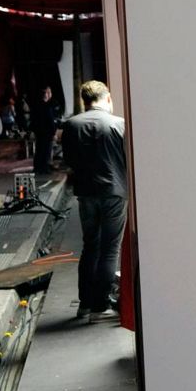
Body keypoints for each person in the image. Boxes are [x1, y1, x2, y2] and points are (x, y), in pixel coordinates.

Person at [60, 81, 128, 322]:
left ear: (83, 100)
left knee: (90, 246)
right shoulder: (119, 124)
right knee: (110, 248)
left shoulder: (70, 126)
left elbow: (68, 160)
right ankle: (101, 307)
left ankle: (85, 304)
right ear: (107, 97)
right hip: (115, 193)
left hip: (86, 194)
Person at [30, 86, 60, 174]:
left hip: (39, 132)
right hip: (47, 133)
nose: (50, 94)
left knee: (39, 150)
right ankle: (44, 169)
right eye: (48, 92)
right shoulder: (47, 106)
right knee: (46, 151)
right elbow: (50, 121)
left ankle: (37, 168)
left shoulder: (36, 105)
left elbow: (34, 120)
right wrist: (54, 133)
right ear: (46, 94)